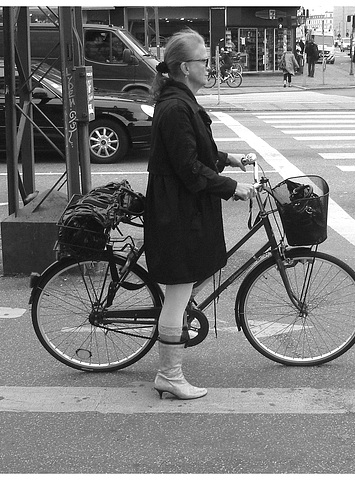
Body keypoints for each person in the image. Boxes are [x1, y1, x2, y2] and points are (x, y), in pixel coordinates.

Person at [145, 28, 256, 400]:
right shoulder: (176, 107)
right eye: (204, 61)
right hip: (177, 213)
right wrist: (231, 187)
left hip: (184, 207)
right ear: (183, 67)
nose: (211, 66)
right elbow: (189, 168)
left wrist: (231, 159)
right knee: (178, 293)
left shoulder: (181, 101)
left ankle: (175, 337)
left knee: (199, 272)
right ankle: (169, 375)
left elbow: (197, 151)